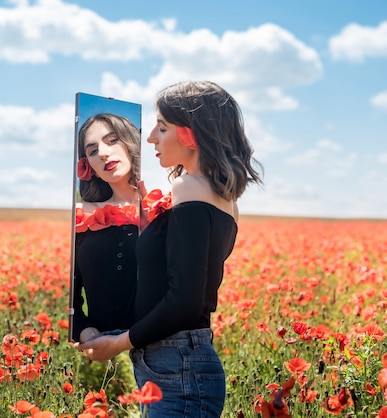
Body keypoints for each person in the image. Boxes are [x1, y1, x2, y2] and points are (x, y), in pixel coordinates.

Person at [76, 81, 263, 417]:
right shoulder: (226, 200)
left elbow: (186, 300)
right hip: (180, 364)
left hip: (179, 368)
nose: (151, 138)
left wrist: (117, 343)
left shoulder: (188, 187)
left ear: (190, 134)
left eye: (161, 128)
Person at [72, 113, 141, 343]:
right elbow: (69, 295)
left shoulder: (164, 209)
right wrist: (84, 330)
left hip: (158, 349)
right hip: (100, 351)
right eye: (92, 151)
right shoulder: (83, 216)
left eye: (112, 141)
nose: (102, 152)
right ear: (88, 166)